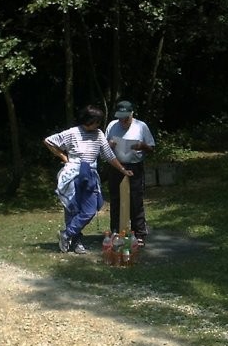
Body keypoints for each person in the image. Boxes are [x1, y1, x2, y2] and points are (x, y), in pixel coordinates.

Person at [44, 105, 133, 254]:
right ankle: (76, 241)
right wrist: (64, 157)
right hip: (73, 174)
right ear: (88, 120)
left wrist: (122, 169)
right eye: (96, 121)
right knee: (73, 209)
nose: (98, 125)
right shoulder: (72, 132)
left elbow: (108, 155)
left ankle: (66, 234)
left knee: (90, 209)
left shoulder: (98, 134)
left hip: (90, 174)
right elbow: (49, 141)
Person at [105, 100, 155, 246]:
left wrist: (142, 146)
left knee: (136, 200)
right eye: (120, 117)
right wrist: (110, 145)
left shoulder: (141, 126)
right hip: (116, 166)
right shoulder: (112, 126)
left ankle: (139, 233)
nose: (122, 121)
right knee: (115, 199)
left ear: (132, 114)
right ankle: (115, 231)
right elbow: (104, 147)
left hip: (134, 166)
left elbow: (152, 148)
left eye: (125, 118)